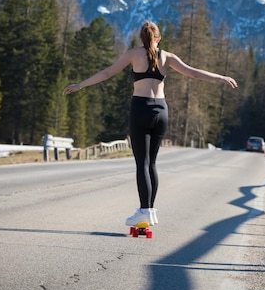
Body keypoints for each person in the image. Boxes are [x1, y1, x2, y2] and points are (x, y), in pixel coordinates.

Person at [63, 20, 238, 227]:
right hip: (161, 110)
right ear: (158, 38)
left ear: (141, 38)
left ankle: (144, 211)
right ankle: (150, 211)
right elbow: (193, 73)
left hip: (141, 108)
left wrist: (80, 85)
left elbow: (107, 73)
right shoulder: (168, 57)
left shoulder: (133, 55)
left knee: (142, 164)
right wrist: (221, 77)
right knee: (152, 163)